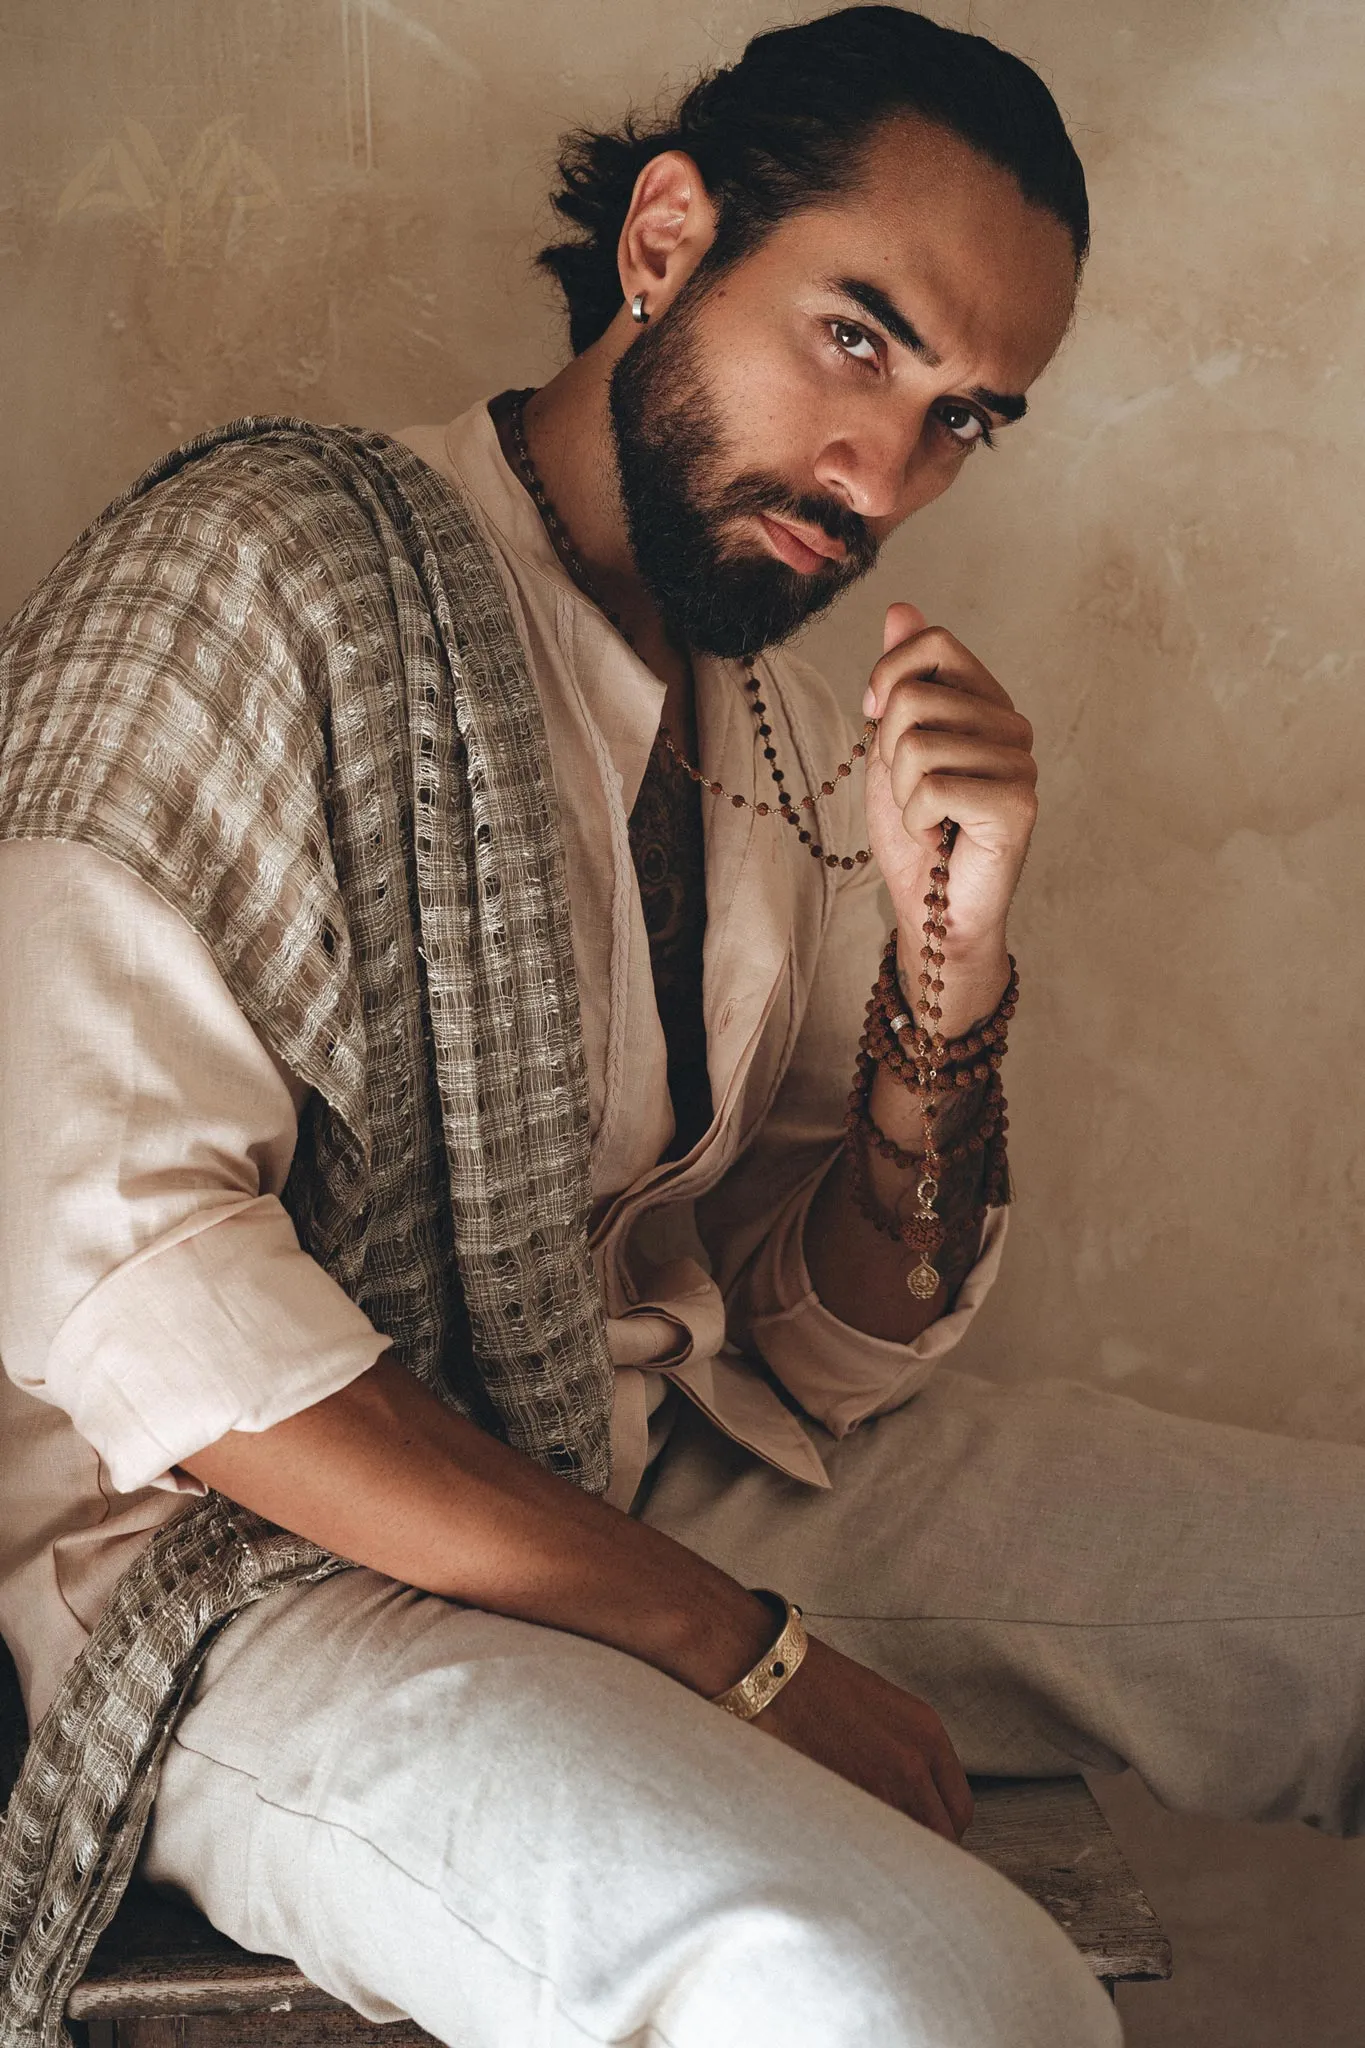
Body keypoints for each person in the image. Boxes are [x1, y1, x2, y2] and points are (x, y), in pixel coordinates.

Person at [1, 9, 1362, 2046]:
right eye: (857, 337)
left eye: (965, 415)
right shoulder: (246, 581)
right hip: (248, 1573)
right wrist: (743, 1653)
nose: (884, 470)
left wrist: (947, 979)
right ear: (663, 239)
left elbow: (813, 1332)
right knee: (919, 1997)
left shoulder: (790, 743)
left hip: (642, 1473)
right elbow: (138, 1304)